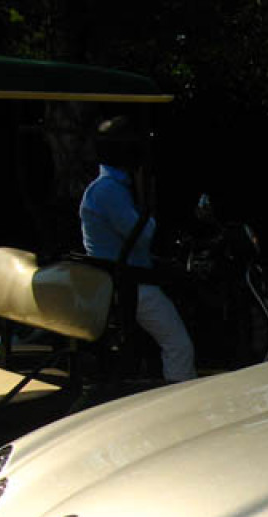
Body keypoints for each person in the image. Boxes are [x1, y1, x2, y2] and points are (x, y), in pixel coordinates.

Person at [79, 116, 196, 382]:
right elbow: (142, 235)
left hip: (126, 279)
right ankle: (181, 400)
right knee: (178, 345)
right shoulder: (109, 191)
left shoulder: (108, 188)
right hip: (131, 285)